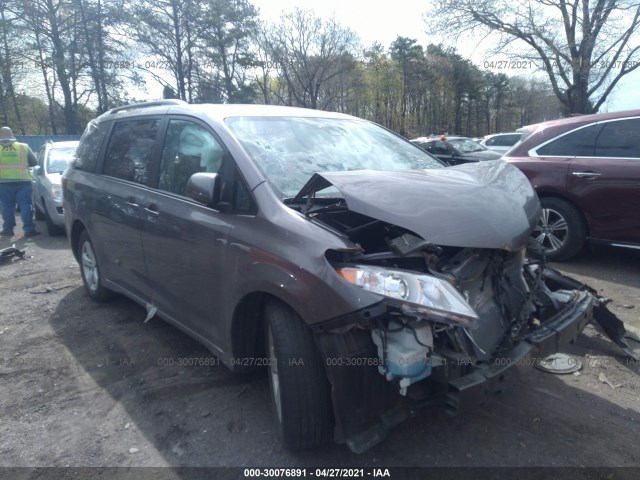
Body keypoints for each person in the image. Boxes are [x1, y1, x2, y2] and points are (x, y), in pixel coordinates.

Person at [0, 126, 40, 237]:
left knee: (6, 206)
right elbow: (34, 162)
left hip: (3, 183)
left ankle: (8, 230)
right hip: (23, 182)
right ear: (12, 135)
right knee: (25, 205)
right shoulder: (23, 147)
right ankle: (29, 229)